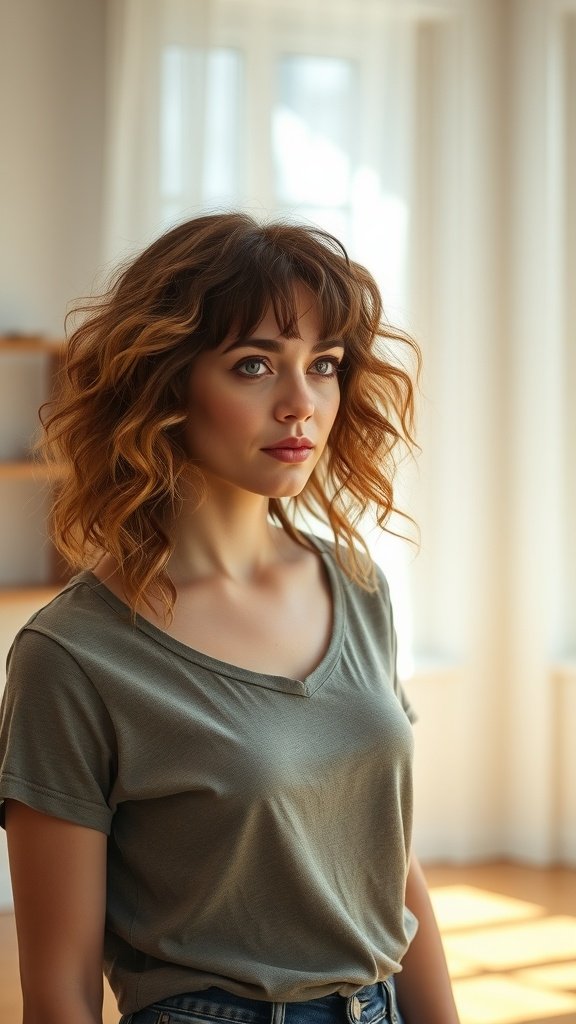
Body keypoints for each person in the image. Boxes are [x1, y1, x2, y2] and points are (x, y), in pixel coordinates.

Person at [0, 212, 460, 1024]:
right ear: (166, 383)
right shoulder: (72, 656)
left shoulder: (356, 585)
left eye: (323, 365)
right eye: (254, 365)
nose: (301, 404)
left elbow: (387, 863)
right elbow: (59, 993)